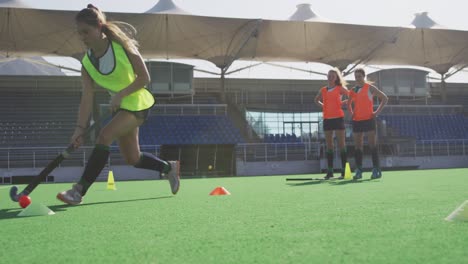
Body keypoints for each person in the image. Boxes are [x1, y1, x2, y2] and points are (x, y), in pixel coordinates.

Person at [57, 4, 180, 205]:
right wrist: (79, 129)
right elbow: (86, 97)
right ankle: (168, 168)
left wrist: (121, 94)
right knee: (133, 159)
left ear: (99, 27)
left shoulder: (122, 47)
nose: (83, 37)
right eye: (80, 34)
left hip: (138, 102)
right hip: (121, 107)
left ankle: (78, 191)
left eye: (86, 32)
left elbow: (144, 77)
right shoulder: (86, 64)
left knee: (104, 135)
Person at [347, 68, 388, 179]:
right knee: (358, 147)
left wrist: (376, 112)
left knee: (372, 146)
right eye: (356, 77)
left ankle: (376, 169)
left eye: (359, 76)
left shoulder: (370, 88)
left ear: (363, 76)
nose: (357, 78)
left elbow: (384, 98)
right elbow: (348, 104)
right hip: (357, 121)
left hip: (369, 120)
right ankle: (359, 170)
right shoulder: (353, 90)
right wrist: (352, 113)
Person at [314, 68, 349, 179]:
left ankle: (344, 172)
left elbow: (351, 96)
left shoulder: (339, 88)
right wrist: (324, 107)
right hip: (327, 119)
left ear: (336, 78)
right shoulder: (323, 90)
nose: (330, 77)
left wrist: (343, 102)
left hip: (338, 118)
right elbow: (316, 100)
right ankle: (330, 172)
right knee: (329, 146)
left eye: (333, 76)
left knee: (342, 145)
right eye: (329, 75)